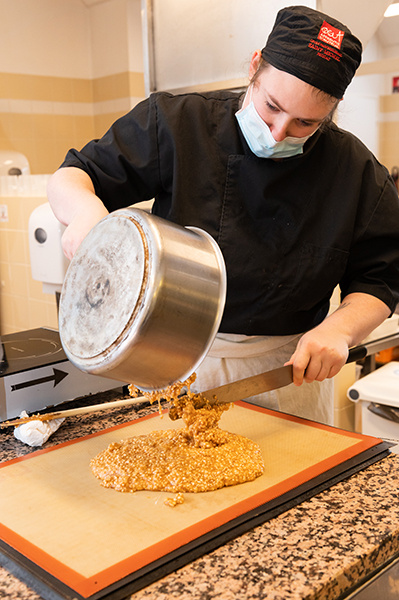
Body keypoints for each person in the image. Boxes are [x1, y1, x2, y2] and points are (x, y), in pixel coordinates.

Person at [47, 5, 399, 425]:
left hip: (285, 376)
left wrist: (340, 330)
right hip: (167, 361)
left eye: (305, 123)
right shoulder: (179, 123)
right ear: (254, 66)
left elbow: (381, 277)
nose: (277, 133)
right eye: (271, 106)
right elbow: (72, 177)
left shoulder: (354, 169)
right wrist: (87, 216)